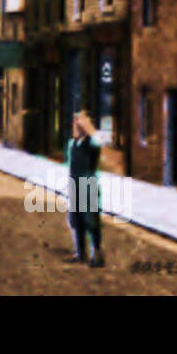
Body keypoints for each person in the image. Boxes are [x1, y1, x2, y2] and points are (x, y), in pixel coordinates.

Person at [65, 112, 104, 267]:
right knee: (76, 220)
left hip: (88, 186)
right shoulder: (73, 143)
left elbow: (99, 141)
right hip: (75, 186)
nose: (76, 126)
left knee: (91, 221)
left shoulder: (92, 143)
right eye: (75, 123)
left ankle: (97, 255)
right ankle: (80, 253)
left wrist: (90, 128)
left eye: (79, 123)